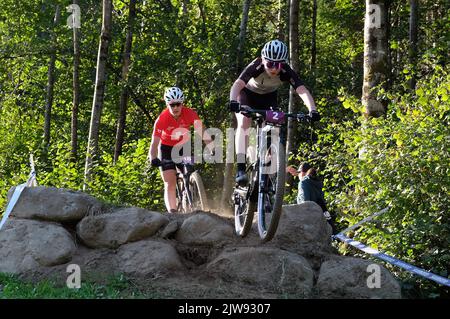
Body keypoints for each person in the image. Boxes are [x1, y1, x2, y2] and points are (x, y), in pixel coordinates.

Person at [228, 39, 321, 185]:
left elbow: (301, 90)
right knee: (244, 122)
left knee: (276, 125)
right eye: (270, 64)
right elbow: (238, 84)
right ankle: (240, 168)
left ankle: (269, 167)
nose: (274, 69)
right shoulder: (256, 65)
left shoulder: (285, 70)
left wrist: (312, 109)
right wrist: (233, 101)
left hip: (268, 98)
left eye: (278, 64)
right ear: (264, 60)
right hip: (247, 95)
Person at [148, 87, 213, 213]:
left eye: (178, 104)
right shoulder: (162, 119)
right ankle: (173, 212)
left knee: (189, 171)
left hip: (184, 146)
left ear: (182, 103)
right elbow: (154, 141)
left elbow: (201, 131)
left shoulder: (190, 114)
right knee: (169, 182)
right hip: (166, 148)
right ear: (168, 104)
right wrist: (153, 157)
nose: (176, 108)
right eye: (172, 105)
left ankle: (190, 189)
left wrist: (211, 147)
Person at [288, 162, 337, 234]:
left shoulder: (303, 182)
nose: (298, 175)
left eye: (299, 173)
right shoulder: (317, 182)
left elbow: (304, 202)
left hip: (308, 217)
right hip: (320, 214)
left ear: (302, 173)